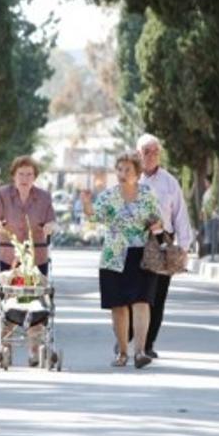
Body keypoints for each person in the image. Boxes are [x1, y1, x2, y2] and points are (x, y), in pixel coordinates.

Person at [82, 152, 162, 369]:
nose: (122, 174)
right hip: (114, 255)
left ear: (137, 174)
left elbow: (158, 219)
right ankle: (123, 353)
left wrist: (156, 226)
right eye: (119, 169)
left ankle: (140, 352)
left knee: (142, 302)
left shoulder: (147, 194)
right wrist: (87, 203)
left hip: (141, 255)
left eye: (128, 170)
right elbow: (93, 217)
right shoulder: (108, 196)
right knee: (118, 307)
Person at [0, 156, 57, 366]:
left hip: (37, 257)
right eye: (21, 174)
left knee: (36, 301)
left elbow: (52, 221)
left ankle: (35, 350)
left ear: (35, 177)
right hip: (9, 258)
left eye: (29, 174)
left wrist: (50, 227)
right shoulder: (3, 195)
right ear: (14, 176)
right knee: (9, 300)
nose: (25, 178)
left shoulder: (43, 197)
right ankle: (4, 346)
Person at [134, 134, 193, 359]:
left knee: (157, 295)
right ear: (138, 153)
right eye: (146, 151)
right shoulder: (130, 178)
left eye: (155, 151)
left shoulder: (169, 182)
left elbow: (180, 213)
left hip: (162, 241)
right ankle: (128, 337)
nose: (150, 156)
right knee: (134, 294)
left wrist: (184, 246)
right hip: (135, 239)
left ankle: (148, 344)